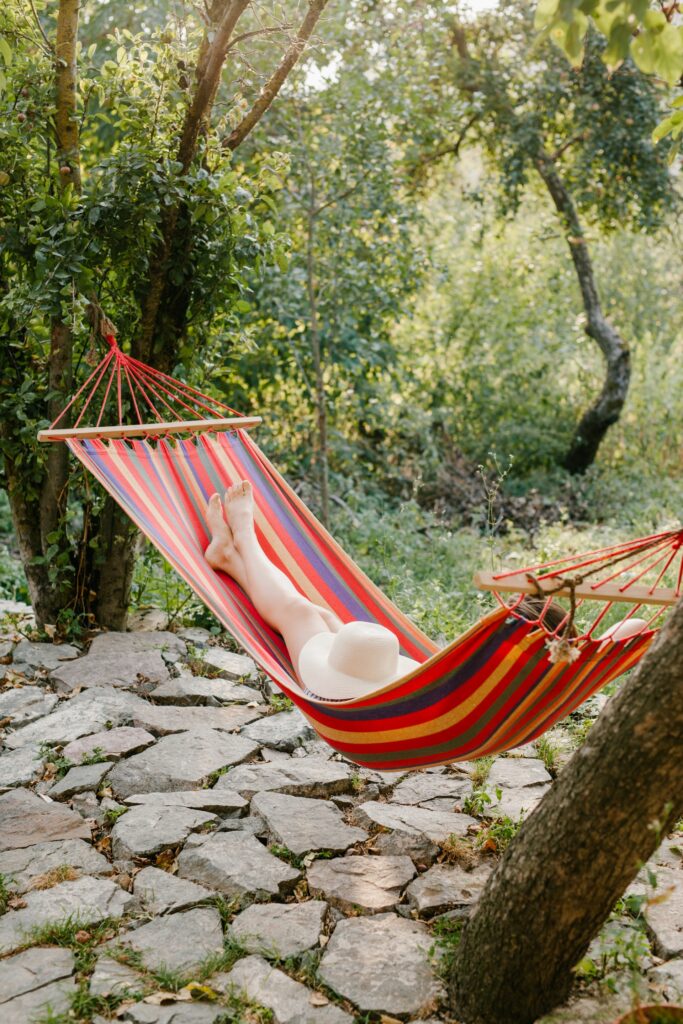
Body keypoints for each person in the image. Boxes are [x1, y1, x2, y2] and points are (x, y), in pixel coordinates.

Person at [204, 482, 419, 700]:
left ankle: (244, 538)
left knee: (300, 613)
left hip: (339, 703)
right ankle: (228, 556)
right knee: (326, 618)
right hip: (375, 695)